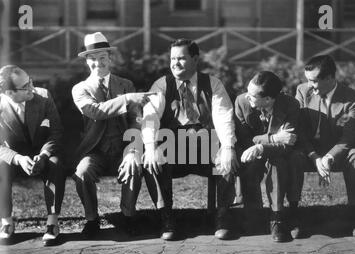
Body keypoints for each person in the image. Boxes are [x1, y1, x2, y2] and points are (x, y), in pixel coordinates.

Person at [142, 38, 239, 241]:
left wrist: (228, 147)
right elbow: (150, 118)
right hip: (174, 147)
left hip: (205, 147)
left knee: (227, 155)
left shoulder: (213, 84)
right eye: (172, 59)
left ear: (195, 59)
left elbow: (223, 117)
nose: (175, 63)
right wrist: (151, 146)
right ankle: (166, 218)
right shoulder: (162, 85)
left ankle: (222, 216)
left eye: (181, 58)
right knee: (152, 158)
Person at [71, 32, 153, 238]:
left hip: (123, 147)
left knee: (134, 163)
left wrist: (134, 148)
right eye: (92, 59)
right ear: (86, 62)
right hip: (95, 151)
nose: (98, 63)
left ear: (110, 58)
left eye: (102, 58)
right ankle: (92, 219)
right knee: (82, 172)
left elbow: (136, 119)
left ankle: (127, 216)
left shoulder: (125, 84)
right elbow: (96, 111)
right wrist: (127, 99)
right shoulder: (80, 89)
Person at [288, 54, 355, 237]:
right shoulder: (303, 91)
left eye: (314, 81)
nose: (310, 85)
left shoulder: (350, 98)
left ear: (330, 78)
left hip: (339, 153)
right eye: (308, 80)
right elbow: (299, 130)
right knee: (293, 158)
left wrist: (329, 157)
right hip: (309, 151)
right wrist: (314, 156)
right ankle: (293, 215)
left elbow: (349, 137)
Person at [0, 65, 65, 245]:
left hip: (43, 152)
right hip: (14, 158)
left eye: (30, 81)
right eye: (25, 86)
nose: (32, 88)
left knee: (56, 162)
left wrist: (44, 154)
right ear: (9, 93)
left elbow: (57, 132)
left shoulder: (43, 97)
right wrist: (18, 158)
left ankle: (52, 223)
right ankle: (6, 222)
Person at [235, 71, 300, 242]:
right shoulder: (241, 102)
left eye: (252, 95)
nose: (247, 97)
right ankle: (253, 213)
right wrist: (271, 138)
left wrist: (262, 147)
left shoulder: (290, 105)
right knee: (248, 164)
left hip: (278, 153)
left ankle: (276, 217)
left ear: (269, 99)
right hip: (248, 154)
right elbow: (245, 139)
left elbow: (288, 142)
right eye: (247, 92)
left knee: (277, 162)